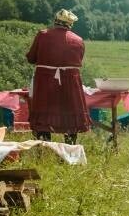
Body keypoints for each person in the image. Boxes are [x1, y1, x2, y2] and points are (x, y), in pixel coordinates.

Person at [26, 9, 91, 144]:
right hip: (70, 81)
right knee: (69, 113)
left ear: (56, 21)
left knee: (44, 114)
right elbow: (79, 60)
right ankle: (70, 149)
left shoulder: (42, 35)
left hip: (45, 80)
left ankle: (44, 148)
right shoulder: (78, 40)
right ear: (70, 25)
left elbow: (31, 58)